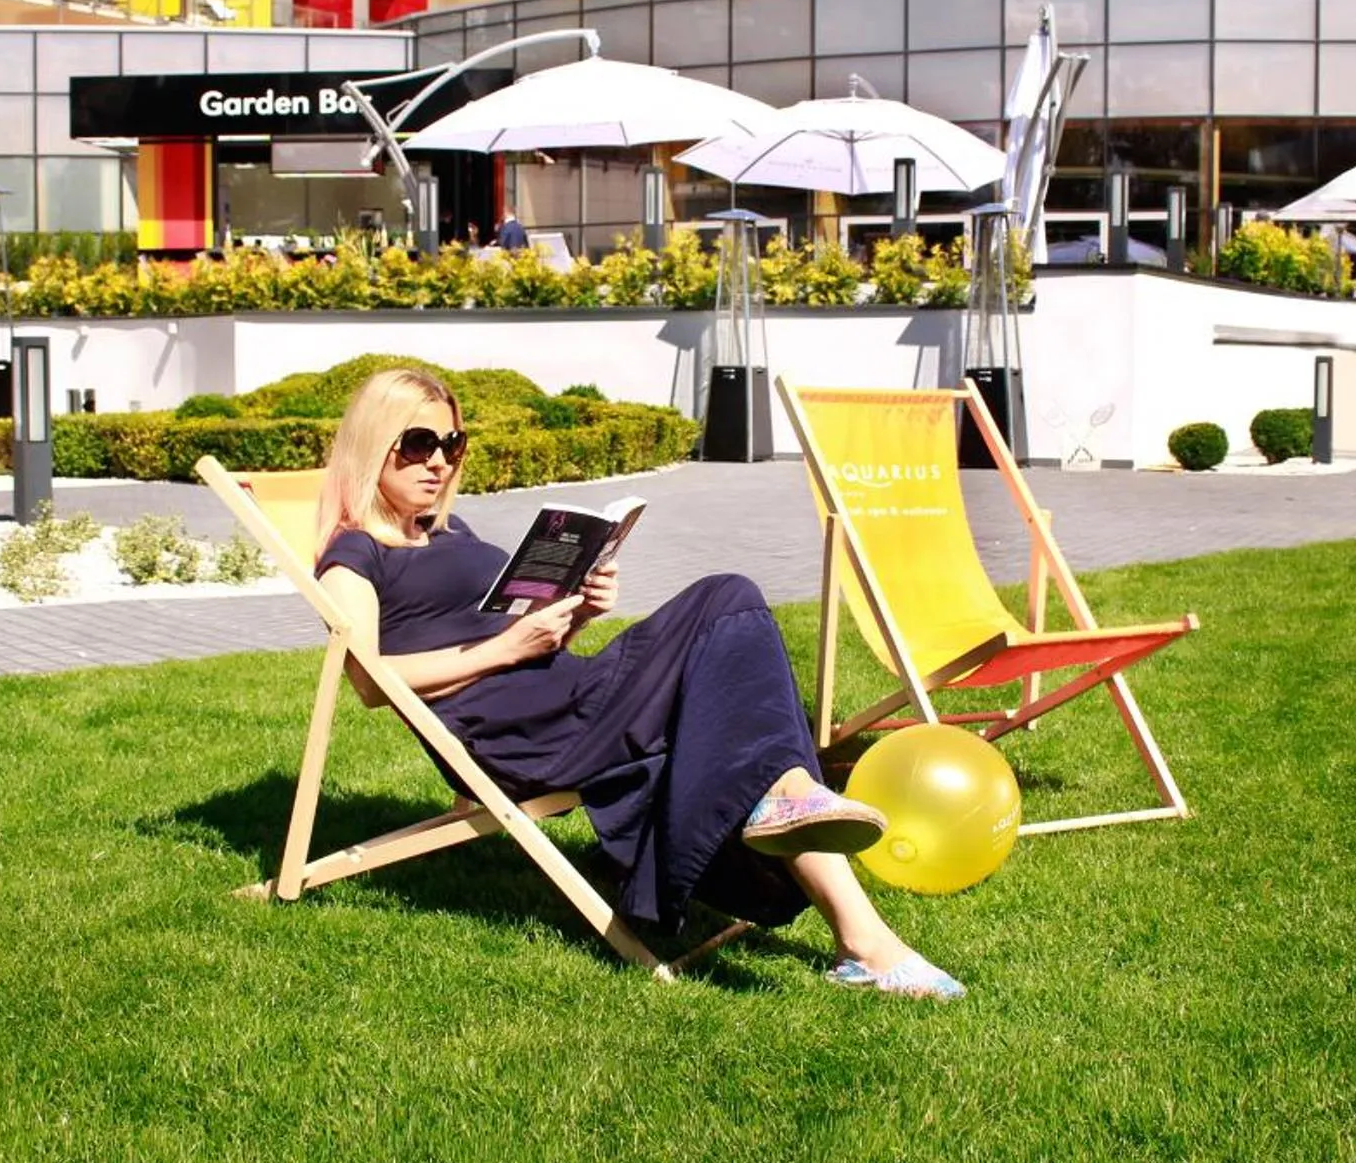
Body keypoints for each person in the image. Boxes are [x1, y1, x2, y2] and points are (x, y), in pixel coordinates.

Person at [313, 368, 964, 1000]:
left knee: (737, 715)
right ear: (376, 446)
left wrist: (579, 613)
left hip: (572, 696)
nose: (439, 462)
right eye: (420, 444)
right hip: (528, 740)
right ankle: (809, 831)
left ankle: (862, 936)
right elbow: (369, 681)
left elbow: (520, 644)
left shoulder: (449, 530)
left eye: (452, 443)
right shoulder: (355, 554)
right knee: (726, 598)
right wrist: (508, 644)